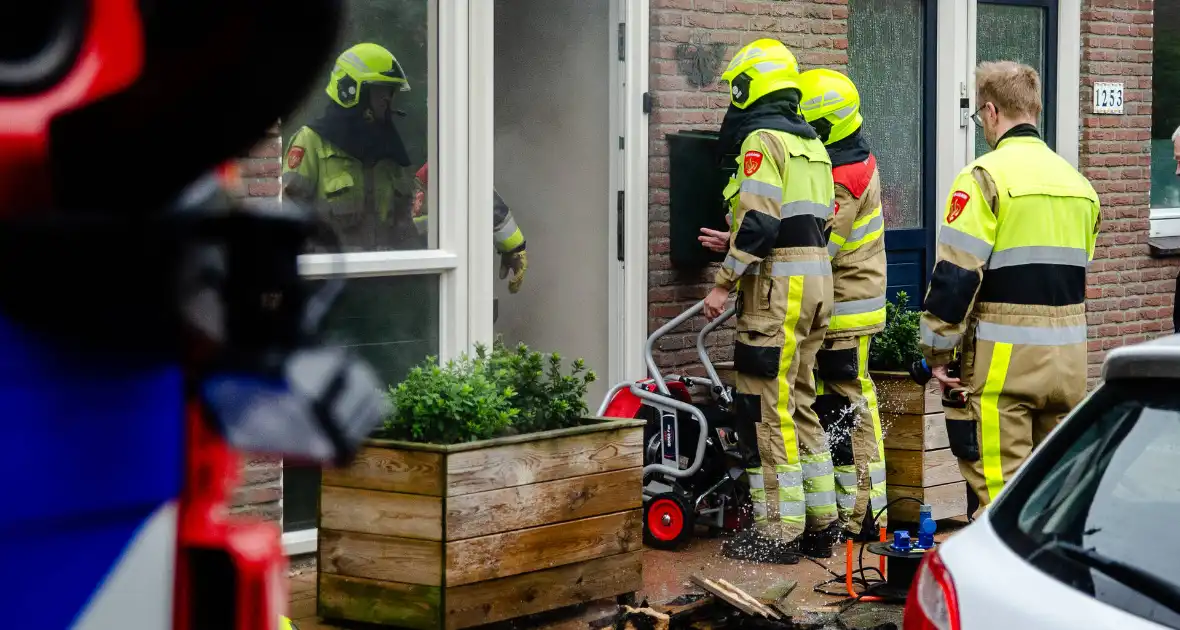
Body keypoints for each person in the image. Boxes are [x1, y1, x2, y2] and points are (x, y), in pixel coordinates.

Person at [919, 61, 1101, 518]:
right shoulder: (1081, 188)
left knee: (1001, 504)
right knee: (1056, 499)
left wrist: (936, 353)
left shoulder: (983, 178)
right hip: (1071, 367)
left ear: (990, 110)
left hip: (1005, 369)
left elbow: (957, 276)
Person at [701, 38, 840, 563]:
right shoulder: (813, 144)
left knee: (767, 407)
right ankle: (822, 524)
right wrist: (736, 238)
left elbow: (760, 221)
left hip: (776, 288)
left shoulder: (762, 138)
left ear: (750, 86)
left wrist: (724, 282)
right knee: (802, 400)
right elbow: (807, 221)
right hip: (815, 282)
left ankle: (779, 533)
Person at [796, 68, 889, 541]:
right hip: (841, 306)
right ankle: (856, 510)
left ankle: (867, 514)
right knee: (839, 406)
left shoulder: (845, 174)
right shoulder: (850, 160)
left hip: (847, 310)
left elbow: (821, 245)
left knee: (851, 406)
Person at [282, 43, 421, 251]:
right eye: (380, 89)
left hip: (386, 276)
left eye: (390, 91)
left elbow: (404, 228)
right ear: (350, 90)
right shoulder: (311, 142)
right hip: (333, 279)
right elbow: (291, 221)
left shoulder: (389, 149)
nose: (387, 99)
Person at [411, 163, 528, 293]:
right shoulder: (453, 159)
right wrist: (514, 248)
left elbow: (484, 199)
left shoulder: (448, 162)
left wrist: (514, 248)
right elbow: (485, 199)